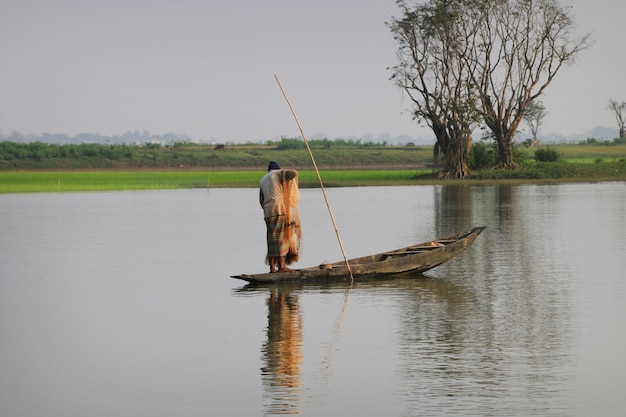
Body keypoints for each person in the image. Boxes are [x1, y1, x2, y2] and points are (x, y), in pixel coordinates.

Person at [259, 161, 302, 273]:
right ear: (277, 169)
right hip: (278, 210)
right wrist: (286, 173)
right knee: (281, 239)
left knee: (272, 240)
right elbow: (293, 173)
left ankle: (272, 267)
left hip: (268, 212)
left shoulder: (263, 179)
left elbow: (261, 200)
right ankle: (282, 266)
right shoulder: (277, 174)